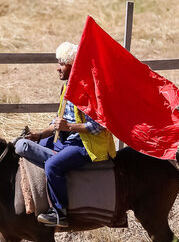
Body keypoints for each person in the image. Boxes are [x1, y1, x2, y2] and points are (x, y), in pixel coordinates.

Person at [15, 41, 116, 227]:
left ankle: (60, 212)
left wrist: (68, 127)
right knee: (28, 145)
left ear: (73, 66)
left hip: (86, 145)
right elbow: (57, 123)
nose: (57, 69)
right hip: (65, 141)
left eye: (62, 64)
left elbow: (98, 126)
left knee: (53, 165)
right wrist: (39, 134)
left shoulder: (88, 91)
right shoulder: (67, 88)